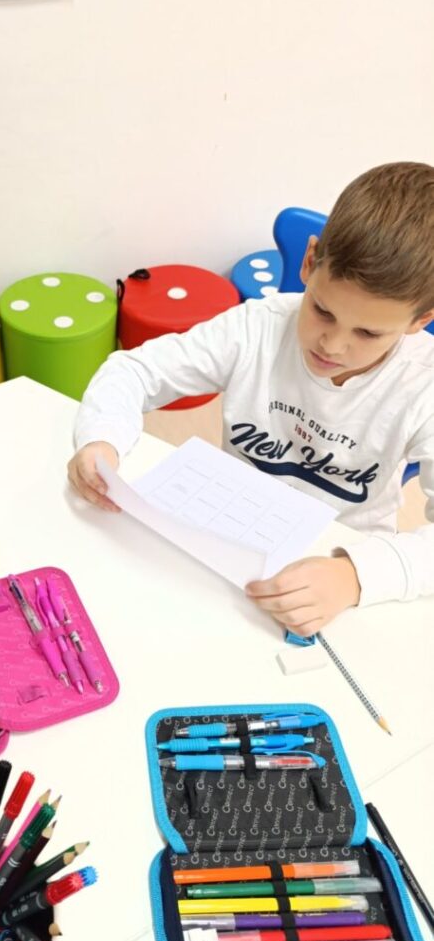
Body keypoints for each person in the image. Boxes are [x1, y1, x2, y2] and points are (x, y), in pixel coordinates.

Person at [68, 162, 434, 634]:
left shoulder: (423, 383)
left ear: (420, 320)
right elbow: (133, 370)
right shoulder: (258, 326)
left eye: (367, 333)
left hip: (342, 566)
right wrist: (101, 439)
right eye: (322, 310)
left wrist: (355, 576)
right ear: (309, 262)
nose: (333, 345)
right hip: (225, 538)